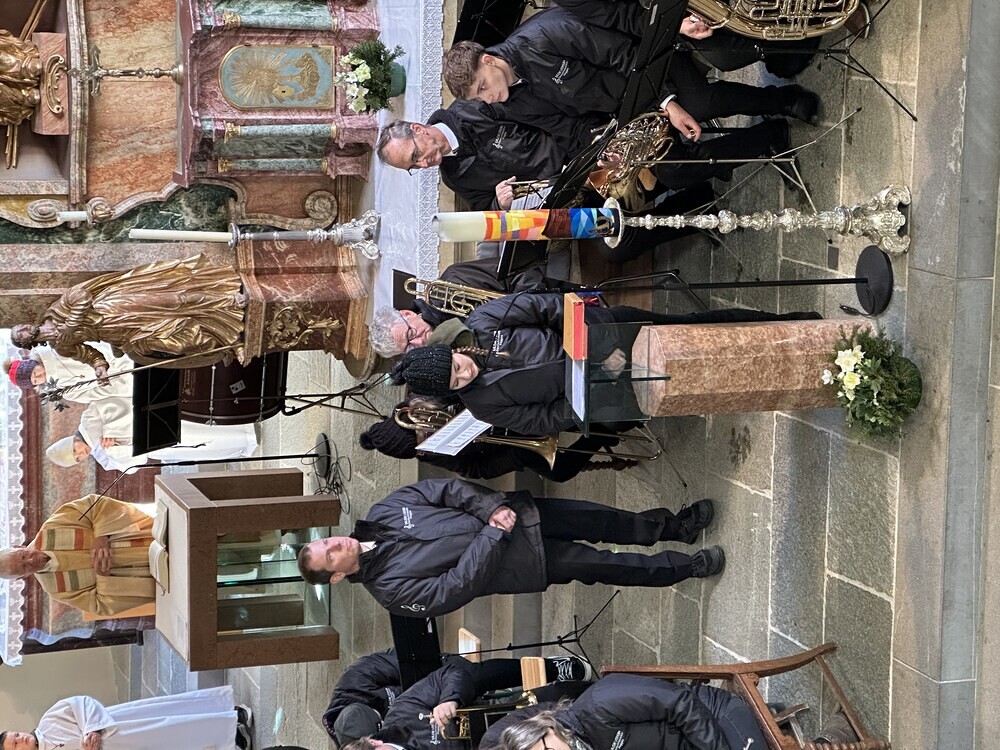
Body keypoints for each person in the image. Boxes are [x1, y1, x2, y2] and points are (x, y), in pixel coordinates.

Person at [390, 293, 822, 436]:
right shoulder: (483, 405)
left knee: (696, 327)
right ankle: (770, 378)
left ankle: (791, 325)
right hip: (602, 389)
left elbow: (550, 308)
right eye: (456, 382)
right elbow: (545, 419)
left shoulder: (484, 320)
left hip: (608, 334)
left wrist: (599, 350)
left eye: (456, 365)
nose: (464, 373)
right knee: (689, 381)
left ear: (451, 351)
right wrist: (592, 383)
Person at [296, 477, 722, 618]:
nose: (336, 543)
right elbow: (456, 587)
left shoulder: (382, 511)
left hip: (520, 514)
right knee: (609, 565)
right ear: (337, 575)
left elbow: (444, 490)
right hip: (522, 561)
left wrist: (491, 508)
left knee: (605, 519)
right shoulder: (391, 593)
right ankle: (685, 566)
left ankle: (676, 526)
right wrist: (492, 533)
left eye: (327, 540)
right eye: (330, 555)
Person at [442, 10, 822, 135]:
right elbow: (569, 124)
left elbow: (620, 52)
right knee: (669, 163)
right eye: (480, 98)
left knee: (700, 103)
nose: (489, 98)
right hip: (627, 105)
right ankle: (768, 130)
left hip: (648, 59)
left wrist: (665, 101)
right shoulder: (509, 99)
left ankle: (781, 100)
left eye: (483, 87)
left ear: (488, 60)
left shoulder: (543, 36)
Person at [9, 254, 246, 378]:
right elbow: (89, 354)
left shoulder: (57, 310)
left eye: (20, 326)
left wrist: (71, 324)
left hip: (116, 306)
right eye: (21, 334)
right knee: (176, 342)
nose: (23, 328)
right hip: (119, 333)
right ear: (28, 343)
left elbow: (82, 297)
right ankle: (228, 341)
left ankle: (228, 300)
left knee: (174, 300)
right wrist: (100, 367)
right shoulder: (62, 347)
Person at [494, 674, 864, 750]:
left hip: (713, 717)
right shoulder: (581, 744)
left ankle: (835, 734)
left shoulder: (599, 703)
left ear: (545, 728)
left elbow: (680, 703)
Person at [324, 649, 590, 747]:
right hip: (494, 742)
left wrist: (448, 699)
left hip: (464, 700)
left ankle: (555, 668)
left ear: (375, 741)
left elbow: (442, 672)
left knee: (474, 676)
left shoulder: (395, 711)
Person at [376, 100, 602, 210]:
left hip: (580, 154)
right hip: (565, 196)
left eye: (416, 155)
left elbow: (544, 115)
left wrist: (585, 152)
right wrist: (500, 203)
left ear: (418, 129)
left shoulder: (472, 107)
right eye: (414, 167)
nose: (423, 165)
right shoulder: (453, 178)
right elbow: (487, 210)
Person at [359, 397, 632, 482]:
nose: (430, 436)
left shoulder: (428, 399)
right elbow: (475, 469)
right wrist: (513, 455)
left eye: (423, 433)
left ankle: (608, 417)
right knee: (559, 472)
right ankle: (600, 433)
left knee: (561, 415)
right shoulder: (428, 451)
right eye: (423, 444)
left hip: (511, 408)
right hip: (507, 444)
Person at [0, 494, 155, 617]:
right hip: (148, 571)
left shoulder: (52, 527)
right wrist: (103, 576)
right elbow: (101, 606)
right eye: (24, 567)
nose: (30, 559)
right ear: (23, 577)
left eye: (23, 555)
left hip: (147, 532)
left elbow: (93, 505)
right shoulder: (56, 589)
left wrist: (101, 536)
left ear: (19, 546)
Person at [0, 686, 252, 750]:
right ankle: (231, 738)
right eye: (16, 744)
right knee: (177, 743)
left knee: (171, 721)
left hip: (120, 727)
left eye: (16, 735)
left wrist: (91, 729)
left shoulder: (49, 721)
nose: (21, 738)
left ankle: (230, 712)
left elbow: (81, 703)